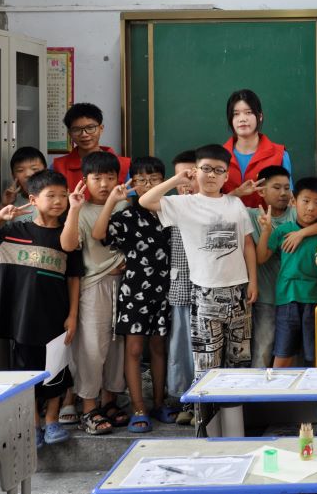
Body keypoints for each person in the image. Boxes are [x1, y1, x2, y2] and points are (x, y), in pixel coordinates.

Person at [0, 169, 81, 448]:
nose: (58, 201)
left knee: (56, 369)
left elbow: (74, 277)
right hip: (21, 317)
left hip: (55, 315)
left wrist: (72, 315)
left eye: (63, 195)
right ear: (32, 199)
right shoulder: (14, 232)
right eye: (51, 195)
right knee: (26, 372)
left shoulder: (67, 233)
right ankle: (34, 424)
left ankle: (52, 420)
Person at [141, 144, 258, 372]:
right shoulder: (184, 203)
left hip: (238, 290)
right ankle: (205, 398)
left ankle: (234, 398)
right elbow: (145, 201)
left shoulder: (235, 203)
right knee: (206, 363)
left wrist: (253, 281)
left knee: (239, 360)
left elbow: (248, 245)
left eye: (218, 170)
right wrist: (177, 180)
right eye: (206, 168)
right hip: (205, 292)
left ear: (226, 176)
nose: (212, 175)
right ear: (195, 171)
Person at [92, 157, 175, 433]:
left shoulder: (171, 211)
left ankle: (159, 402)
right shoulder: (126, 216)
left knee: (159, 347)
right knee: (135, 349)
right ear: (132, 183)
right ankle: (139, 408)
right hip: (135, 290)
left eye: (154, 179)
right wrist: (112, 201)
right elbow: (99, 234)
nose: (148, 185)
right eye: (140, 180)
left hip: (166, 289)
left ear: (164, 181)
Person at [60, 151, 128, 434]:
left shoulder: (124, 205)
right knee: (92, 346)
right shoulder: (79, 209)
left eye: (109, 177)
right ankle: (89, 406)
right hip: (93, 287)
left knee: (117, 345)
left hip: (124, 284)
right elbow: (68, 246)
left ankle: (109, 400)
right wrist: (74, 209)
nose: (103, 184)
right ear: (85, 180)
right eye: (96, 178)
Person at [250, 166, 317, 368]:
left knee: (316, 354)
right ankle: (274, 389)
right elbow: (261, 257)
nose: (311, 208)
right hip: (287, 298)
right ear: (294, 202)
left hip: (316, 299)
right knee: (283, 352)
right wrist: (266, 231)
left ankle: (315, 388)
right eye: (305, 201)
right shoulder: (283, 230)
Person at [165, 150, 198, 426]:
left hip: (212, 290)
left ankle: (207, 402)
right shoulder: (171, 205)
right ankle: (185, 400)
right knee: (182, 348)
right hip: (181, 288)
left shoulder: (215, 204)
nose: (186, 182)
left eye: (191, 175)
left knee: (208, 350)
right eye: (180, 177)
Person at [222, 89, 293, 208]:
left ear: (260, 116)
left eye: (248, 112)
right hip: (226, 219)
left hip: (267, 219)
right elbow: (211, 200)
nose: (242, 119)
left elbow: (288, 199)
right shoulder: (219, 156)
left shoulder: (280, 154)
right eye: (236, 114)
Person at [52, 102, 129, 191]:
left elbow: (128, 199)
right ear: (70, 133)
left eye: (90, 128)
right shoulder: (58, 166)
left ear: (101, 129)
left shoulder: (122, 164)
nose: (84, 134)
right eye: (76, 130)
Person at [0, 146, 47, 221]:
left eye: (34, 169)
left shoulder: (57, 198)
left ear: (45, 171)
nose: (28, 174)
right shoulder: (11, 202)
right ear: (13, 176)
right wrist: (4, 205)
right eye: (20, 170)